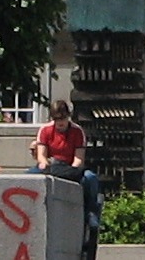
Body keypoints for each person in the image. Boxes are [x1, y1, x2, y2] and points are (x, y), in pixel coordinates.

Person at [35, 100, 100, 249]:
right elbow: (41, 156)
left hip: (71, 167)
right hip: (52, 166)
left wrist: (70, 173)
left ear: (68, 117)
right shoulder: (45, 130)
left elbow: (78, 160)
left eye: (62, 119)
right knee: (27, 176)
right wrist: (45, 165)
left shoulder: (77, 132)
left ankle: (91, 212)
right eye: (56, 119)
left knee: (90, 178)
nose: (60, 123)